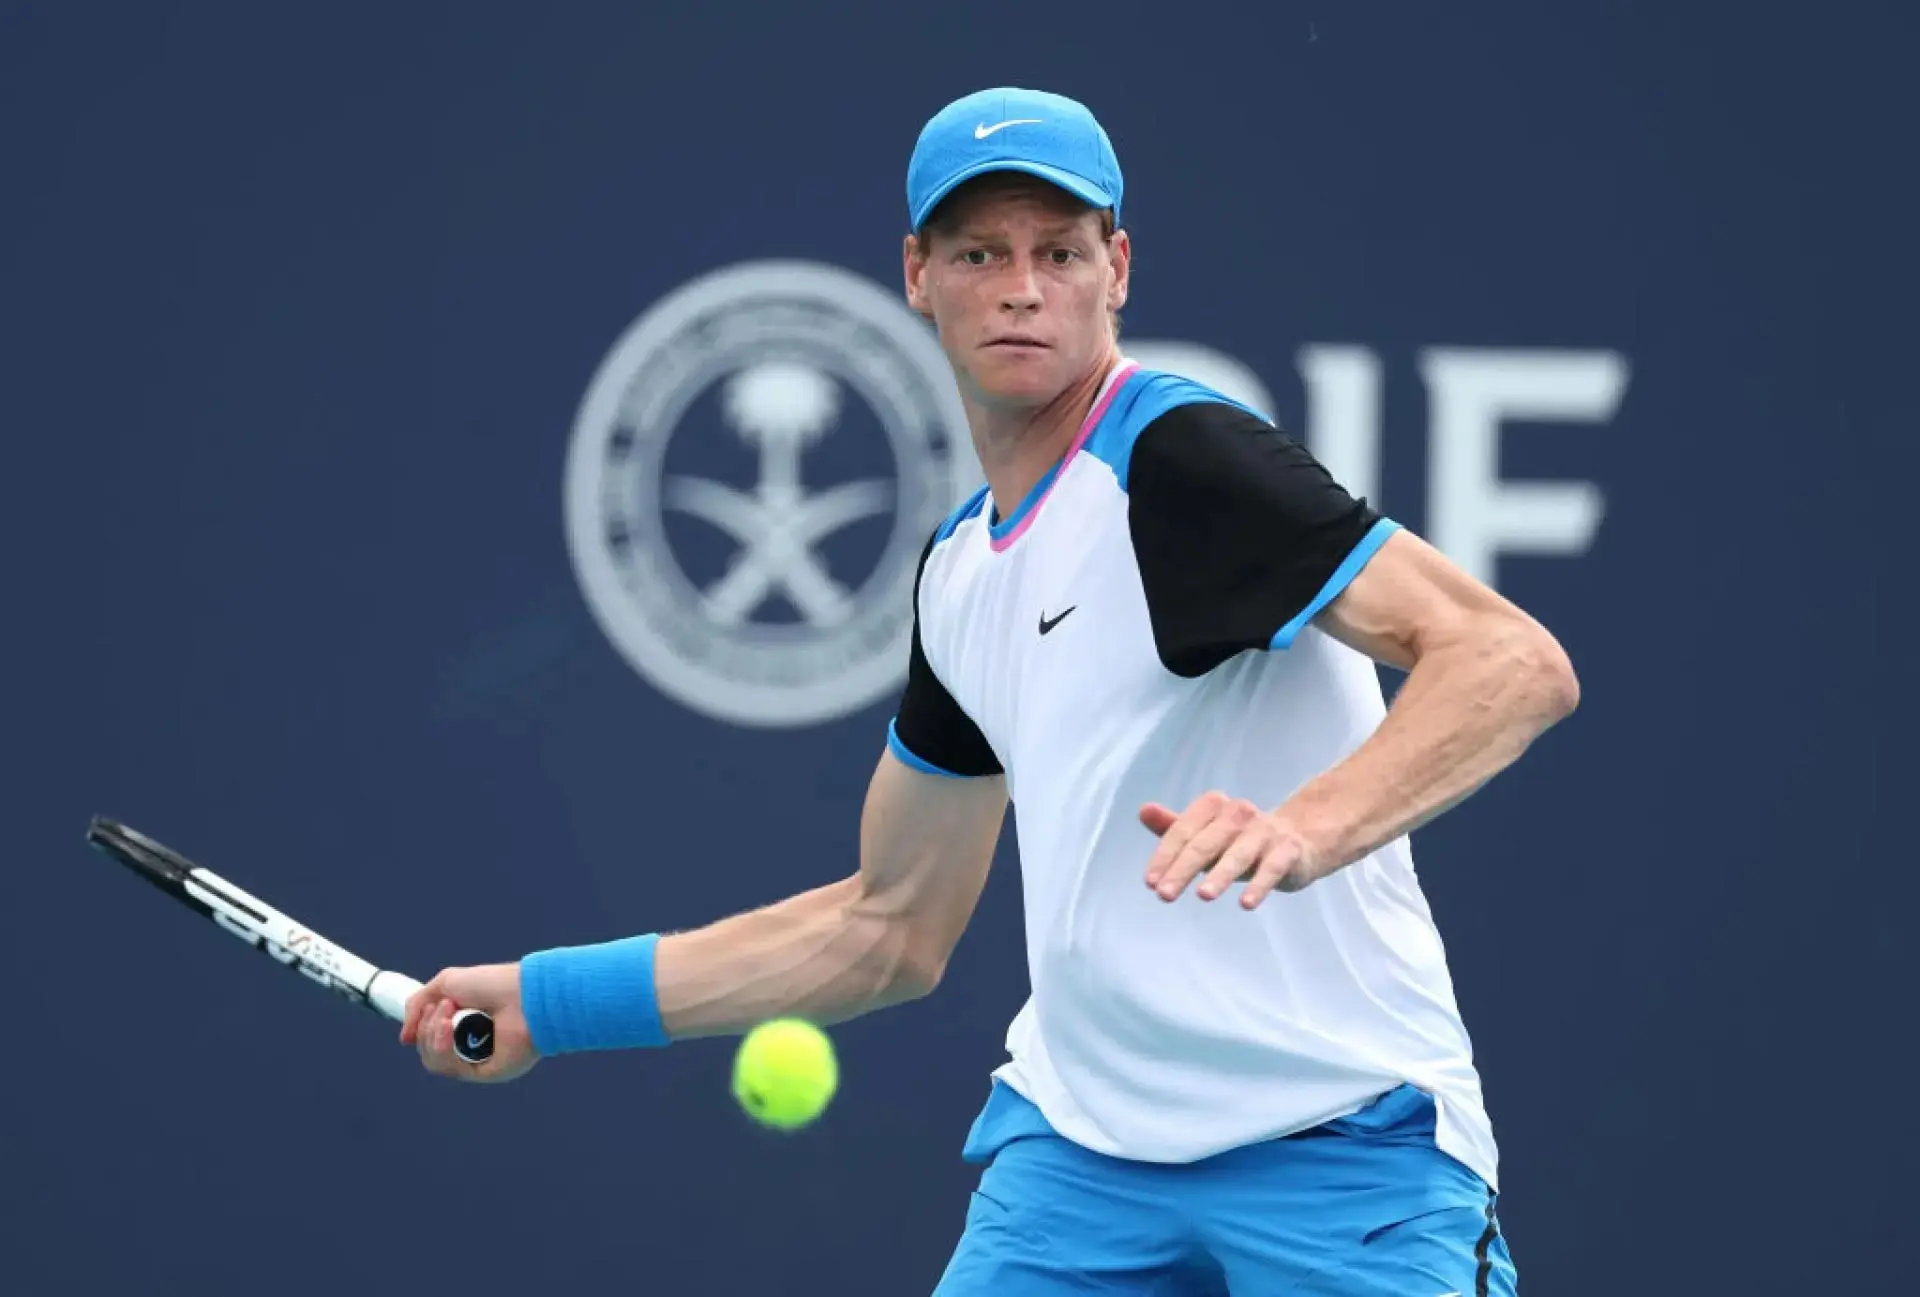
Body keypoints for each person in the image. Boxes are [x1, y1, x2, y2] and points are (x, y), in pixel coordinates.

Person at [401, 86, 1577, 1296]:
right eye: (980, 254)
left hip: (1345, 1144)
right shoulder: (962, 573)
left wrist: (1304, 827)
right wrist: (551, 1003)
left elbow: (1509, 661)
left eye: (1058, 252)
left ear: (1116, 271)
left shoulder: (1178, 458)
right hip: (1082, 1163)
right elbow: (887, 929)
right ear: (918, 274)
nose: (1021, 287)